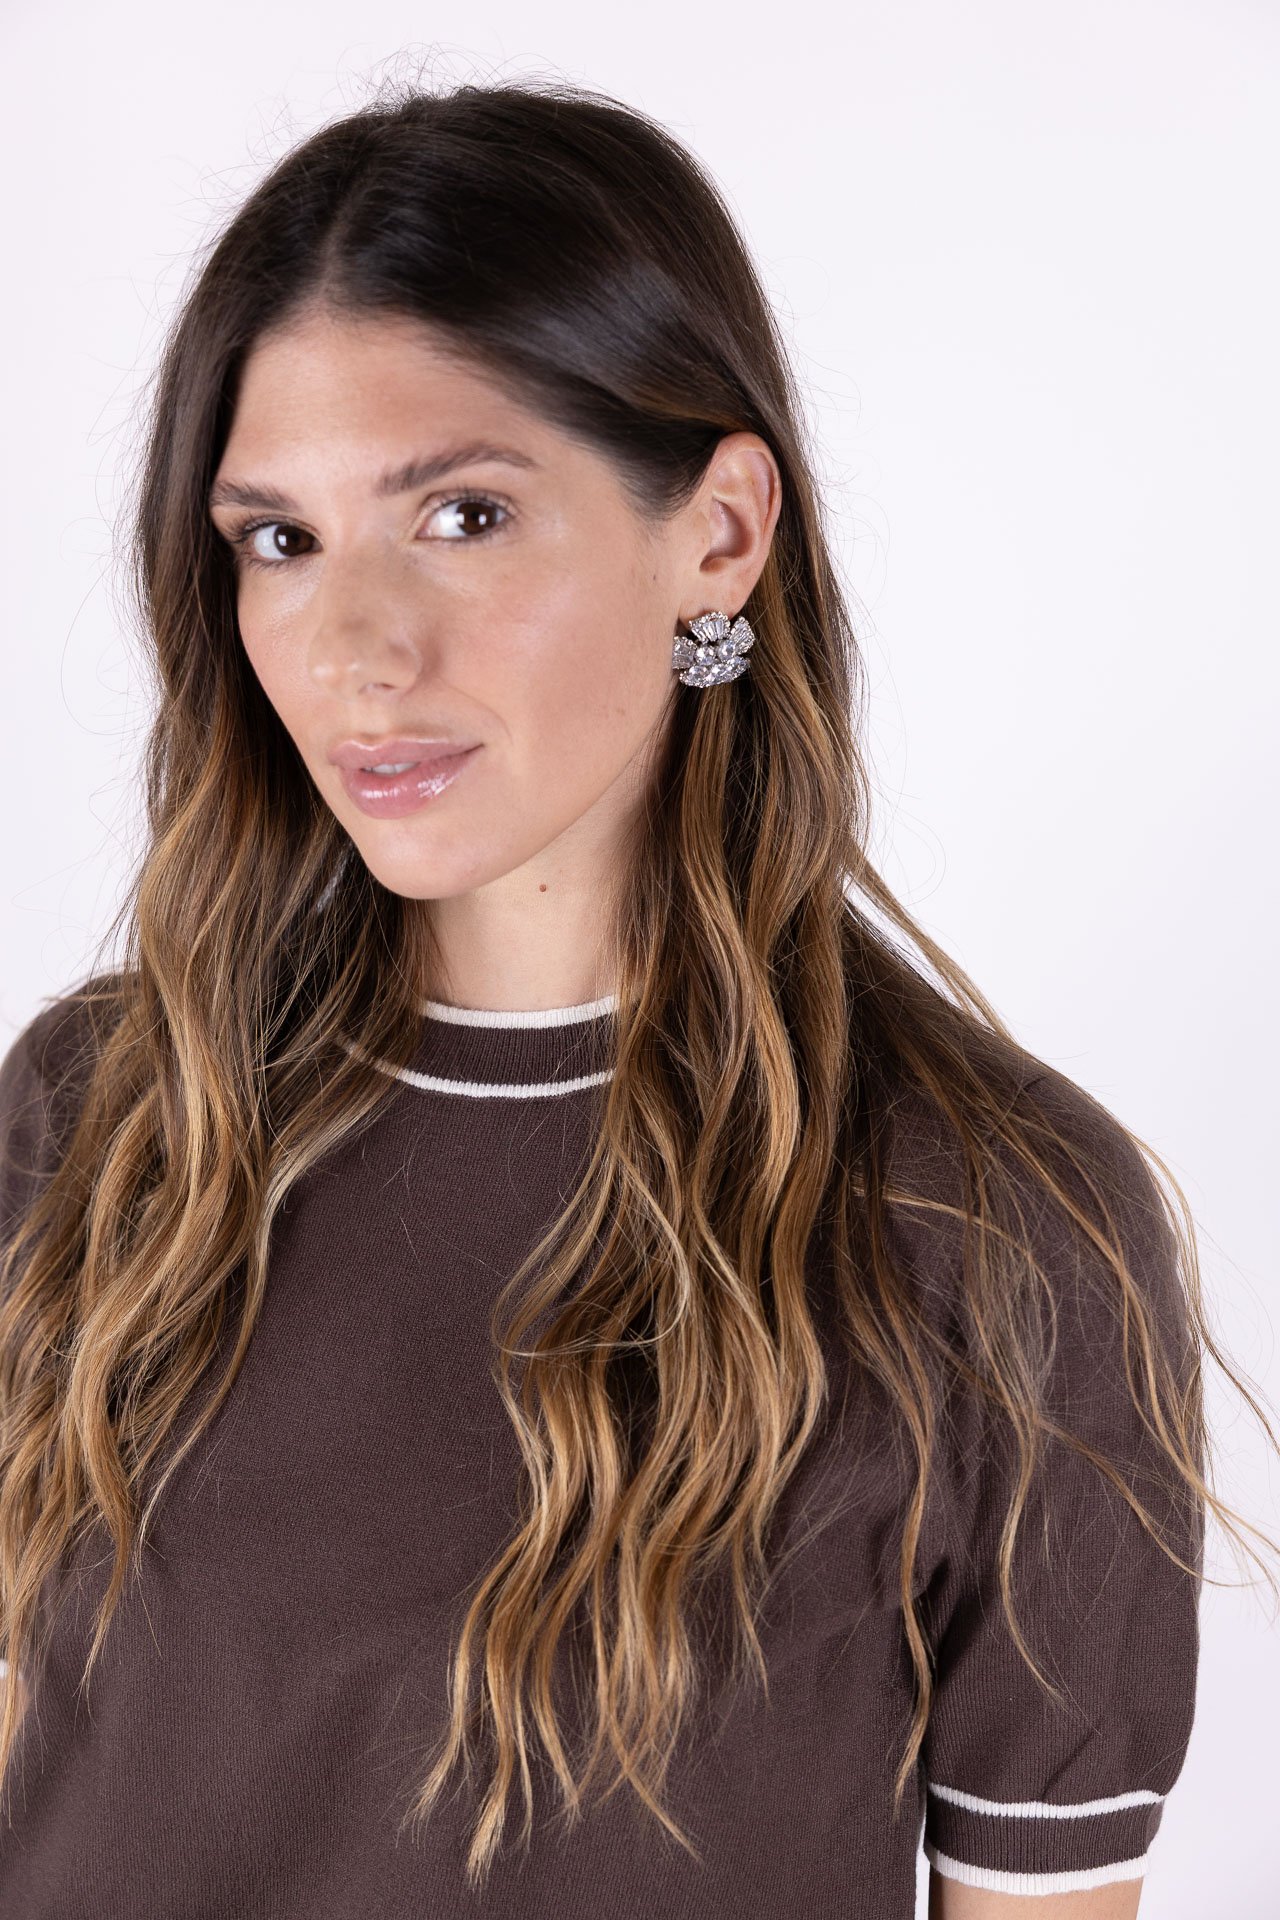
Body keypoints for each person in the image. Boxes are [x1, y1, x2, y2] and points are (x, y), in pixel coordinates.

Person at [0, 76, 1271, 1920]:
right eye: (279, 539)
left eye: (464, 516)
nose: (353, 650)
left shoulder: (992, 1226)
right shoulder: (102, 1121)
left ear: (720, 535)